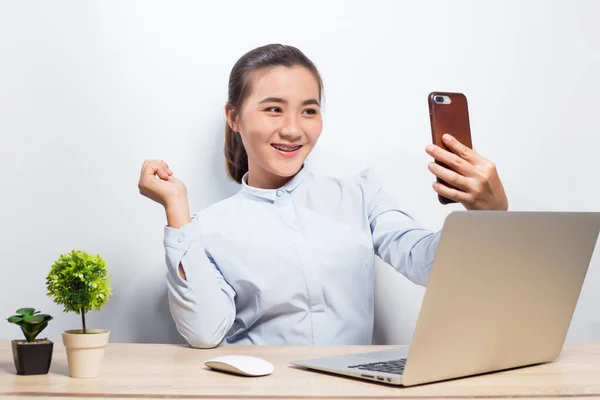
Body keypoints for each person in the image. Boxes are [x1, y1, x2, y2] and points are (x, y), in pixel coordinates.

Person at [138, 44, 508, 348]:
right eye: (273, 109)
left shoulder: (360, 193)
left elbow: (424, 263)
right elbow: (205, 332)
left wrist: (488, 215)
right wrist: (177, 208)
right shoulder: (205, 229)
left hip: (351, 388)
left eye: (309, 111)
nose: (293, 129)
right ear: (234, 117)